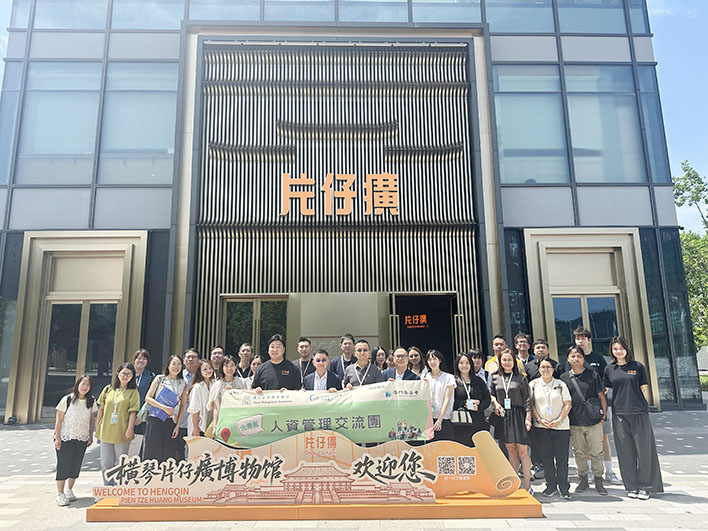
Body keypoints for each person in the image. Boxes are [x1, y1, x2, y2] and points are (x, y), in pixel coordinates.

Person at [604, 336, 663, 500]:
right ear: (612, 351)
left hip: (638, 412)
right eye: (615, 349)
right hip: (619, 414)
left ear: (626, 349)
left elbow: (643, 389)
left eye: (621, 348)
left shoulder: (637, 366)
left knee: (644, 450)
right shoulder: (609, 369)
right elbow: (606, 390)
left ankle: (645, 486)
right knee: (625, 451)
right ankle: (631, 486)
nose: (618, 351)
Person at [572, 326, 621, 485]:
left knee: (604, 437)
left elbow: (607, 379)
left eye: (583, 338)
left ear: (589, 340)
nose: (580, 341)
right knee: (585, 439)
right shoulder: (573, 358)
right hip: (580, 407)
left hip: (599, 405)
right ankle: (590, 472)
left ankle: (609, 471)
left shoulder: (598, 358)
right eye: (577, 338)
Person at [561, 345, 608, 495]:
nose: (576, 359)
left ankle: (598, 479)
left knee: (597, 452)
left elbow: (602, 397)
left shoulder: (593, 375)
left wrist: (604, 416)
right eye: (573, 356)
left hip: (593, 421)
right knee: (579, 453)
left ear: (583, 358)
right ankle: (583, 478)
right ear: (568, 359)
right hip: (574, 422)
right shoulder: (564, 378)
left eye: (579, 356)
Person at [490, 349, 533, 493]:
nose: (507, 362)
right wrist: (495, 403)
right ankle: (515, 485)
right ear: (500, 362)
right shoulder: (495, 377)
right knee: (511, 450)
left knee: (523, 451)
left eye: (509, 360)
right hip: (504, 415)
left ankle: (527, 485)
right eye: (504, 360)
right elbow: (491, 394)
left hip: (519, 414)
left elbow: (527, 398)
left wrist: (528, 417)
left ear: (514, 361)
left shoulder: (521, 378)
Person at [530, 358, 573, 499]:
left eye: (548, 367)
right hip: (541, 427)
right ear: (539, 369)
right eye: (542, 367)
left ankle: (564, 487)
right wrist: (539, 419)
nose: (545, 370)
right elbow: (531, 405)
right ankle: (551, 486)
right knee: (547, 458)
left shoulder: (560, 384)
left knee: (562, 459)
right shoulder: (533, 384)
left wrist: (559, 419)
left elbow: (568, 403)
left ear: (553, 369)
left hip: (561, 427)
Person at [53, 375, 97, 506]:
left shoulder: (91, 401)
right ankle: (60, 493)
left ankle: (69, 490)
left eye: (88, 385)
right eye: (83, 384)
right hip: (66, 436)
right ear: (77, 385)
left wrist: (90, 436)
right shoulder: (67, 399)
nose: (85, 387)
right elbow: (59, 420)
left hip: (81, 437)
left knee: (75, 464)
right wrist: (57, 437)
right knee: (63, 464)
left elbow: (91, 420)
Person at [95, 362, 139, 485]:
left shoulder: (133, 392)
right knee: (105, 462)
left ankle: (118, 488)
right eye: (123, 373)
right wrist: (98, 427)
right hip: (106, 431)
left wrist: (130, 429)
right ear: (118, 373)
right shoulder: (108, 389)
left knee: (121, 463)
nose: (125, 376)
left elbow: (133, 412)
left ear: (132, 376)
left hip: (122, 431)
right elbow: (101, 409)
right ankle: (108, 487)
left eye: (128, 374)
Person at [143, 355, 188, 463]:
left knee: (169, 455)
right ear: (168, 365)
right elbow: (148, 398)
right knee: (153, 454)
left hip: (171, 421)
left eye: (179, 364)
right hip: (155, 419)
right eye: (174, 364)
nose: (176, 367)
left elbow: (182, 406)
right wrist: (164, 407)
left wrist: (177, 426)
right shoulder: (160, 379)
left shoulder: (183, 383)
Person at [452, 352, 490, 447]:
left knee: (480, 449)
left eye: (467, 363)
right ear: (457, 365)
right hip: (461, 423)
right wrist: (464, 403)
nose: (464, 365)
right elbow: (450, 401)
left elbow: (487, 398)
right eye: (461, 363)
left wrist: (479, 406)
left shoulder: (479, 381)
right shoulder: (453, 381)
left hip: (478, 420)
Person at [424, 349, 456, 442]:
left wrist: (440, 419)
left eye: (434, 359)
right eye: (430, 360)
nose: (432, 362)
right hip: (429, 420)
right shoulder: (424, 377)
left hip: (444, 419)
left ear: (440, 360)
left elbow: (447, 399)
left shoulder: (449, 377)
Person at [130, 348, 155, 456]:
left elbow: (152, 398)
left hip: (141, 416)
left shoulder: (151, 376)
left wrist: (140, 416)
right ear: (134, 360)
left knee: (138, 444)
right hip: (124, 415)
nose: (141, 360)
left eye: (144, 358)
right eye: (139, 358)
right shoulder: (127, 373)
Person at [209, 355, 247, 426]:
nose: (229, 368)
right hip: (223, 420)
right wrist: (215, 425)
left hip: (239, 420)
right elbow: (216, 408)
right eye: (226, 366)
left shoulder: (242, 382)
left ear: (236, 366)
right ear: (222, 368)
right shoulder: (217, 385)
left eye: (232, 365)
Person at [187, 360, 215, 437]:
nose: (208, 371)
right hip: (199, 426)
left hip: (211, 424)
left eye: (210, 368)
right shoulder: (197, 387)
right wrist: (196, 429)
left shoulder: (215, 384)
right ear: (200, 371)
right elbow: (194, 410)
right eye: (205, 369)